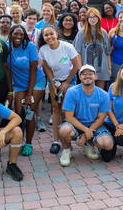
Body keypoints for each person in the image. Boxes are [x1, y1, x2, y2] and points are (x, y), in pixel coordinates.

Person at [58, 64, 113, 166]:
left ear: (95, 76)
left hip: (94, 125)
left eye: (90, 74)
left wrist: (88, 131)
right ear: (80, 77)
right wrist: (86, 130)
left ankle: (88, 143)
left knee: (108, 144)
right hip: (75, 124)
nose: (87, 76)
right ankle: (66, 150)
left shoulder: (103, 95)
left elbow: (101, 118)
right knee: (64, 131)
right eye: (84, 74)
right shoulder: (71, 92)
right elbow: (68, 117)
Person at [38, 25, 82, 154]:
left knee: (66, 110)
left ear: (57, 33)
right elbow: (47, 68)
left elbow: (76, 65)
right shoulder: (43, 49)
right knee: (55, 108)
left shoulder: (67, 46)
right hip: (55, 81)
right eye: (46, 35)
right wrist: (53, 84)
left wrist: (67, 82)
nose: (49, 37)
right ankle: (56, 141)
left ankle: (67, 139)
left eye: (51, 34)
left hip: (70, 79)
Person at [7, 25, 45, 156]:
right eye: (15, 34)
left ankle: (28, 143)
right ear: (10, 34)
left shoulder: (29, 46)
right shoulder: (7, 47)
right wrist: (10, 92)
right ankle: (18, 140)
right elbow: (8, 72)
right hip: (19, 84)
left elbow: (34, 70)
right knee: (18, 114)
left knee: (29, 112)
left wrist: (29, 94)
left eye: (21, 35)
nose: (18, 37)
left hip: (36, 82)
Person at [74, 8, 111, 89]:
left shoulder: (103, 33)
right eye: (90, 17)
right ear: (87, 19)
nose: (92, 19)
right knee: (87, 92)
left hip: (102, 68)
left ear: (98, 18)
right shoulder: (81, 33)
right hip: (87, 69)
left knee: (100, 92)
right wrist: (81, 70)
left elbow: (108, 53)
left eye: (95, 17)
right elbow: (77, 53)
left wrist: (109, 68)